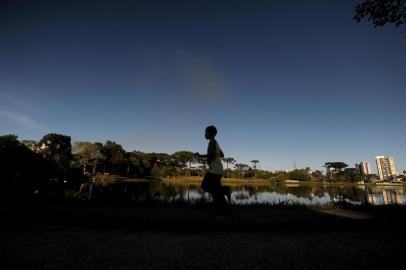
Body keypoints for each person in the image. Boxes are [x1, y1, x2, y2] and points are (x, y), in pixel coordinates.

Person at [195, 125, 231, 216]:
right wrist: (215, 155)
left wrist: (199, 156)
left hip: (214, 169)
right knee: (216, 190)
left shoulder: (211, 142)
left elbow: (211, 155)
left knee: (205, 186)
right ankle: (221, 208)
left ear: (210, 133)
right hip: (218, 169)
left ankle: (225, 191)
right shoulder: (216, 142)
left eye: (206, 132)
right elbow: (222, 155)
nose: (205, 134)